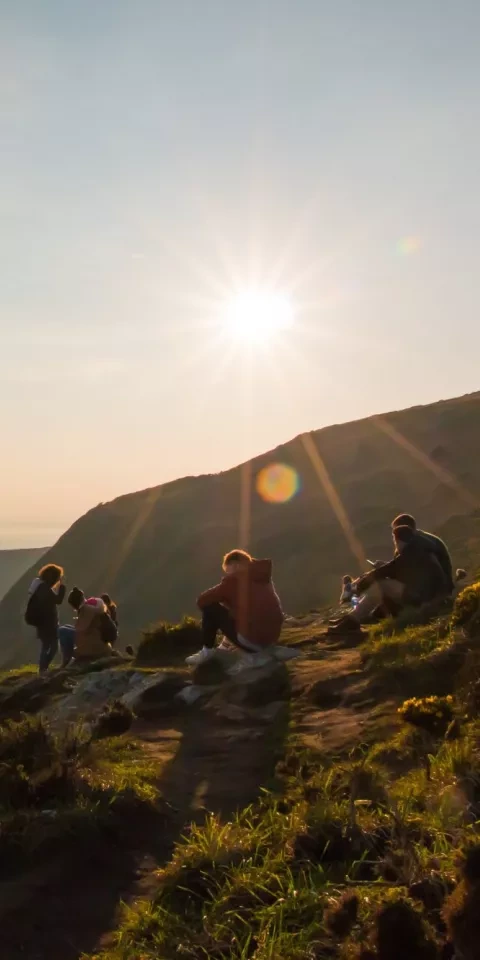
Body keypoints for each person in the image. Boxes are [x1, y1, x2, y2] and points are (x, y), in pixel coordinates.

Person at [328, 525, 447, 634]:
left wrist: (362, 583)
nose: (395, 545)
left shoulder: (413, 552)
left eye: (395, 541)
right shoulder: (418, 549)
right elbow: (400, 570)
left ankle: (352, 620)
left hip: (424, 598)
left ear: (399, 540)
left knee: (381, 586)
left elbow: (389, 569)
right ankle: (352, 618)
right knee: (383, 584)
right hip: (427, 595)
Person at [186, 549, 284, 672]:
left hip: (254, 641)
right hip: (271, 638)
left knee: (210, 607)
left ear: (236, 565)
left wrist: (226, 601)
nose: (227, 575)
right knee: (238, 611)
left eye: (228, 570)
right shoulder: (263, 577)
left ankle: (207, 651)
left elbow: (201, 601)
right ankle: (225, 646)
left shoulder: (233, 580)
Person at [391, 514, 454, 594]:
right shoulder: (419, 540)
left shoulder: (420, 545)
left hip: (434, 591)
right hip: (438, 587)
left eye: (396, 532)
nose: (394, 537)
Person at [25, 564, 66, 675]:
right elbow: (57, 600)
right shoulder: (44, 588)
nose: (58, 579)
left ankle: (43, 669)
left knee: (48, 646)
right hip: (47, 624)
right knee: (51, 647)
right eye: (58, 577)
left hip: (44, 623)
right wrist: (62, 588)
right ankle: (43, 669)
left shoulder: (41, 587)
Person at [65, 588, 118, 660]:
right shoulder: (96, 607)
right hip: (104, 643)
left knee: (63, 631)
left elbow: (80, 630)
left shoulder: (86, 609)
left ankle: (66, 661)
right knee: (66, 628)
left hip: (95, 647)